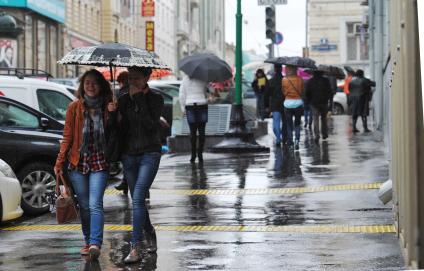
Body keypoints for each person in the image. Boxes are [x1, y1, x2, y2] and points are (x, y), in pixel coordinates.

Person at [54, 69, 117, 260]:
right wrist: (59, 161)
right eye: (87, 82)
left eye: (95, 83)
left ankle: (96, 243)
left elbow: (116, 134)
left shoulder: (109, 107)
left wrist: (114, 115)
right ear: (83, 86)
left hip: (99, 162)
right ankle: (88, 241)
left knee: (95, 203)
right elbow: (67, 136)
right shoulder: (74, 108)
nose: (91, 86)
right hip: (77, 164)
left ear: (101, 86)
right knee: (84, 205)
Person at [115, 66, 164, 264]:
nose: (132, 82)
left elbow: (151, 125)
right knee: (137, 200)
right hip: (129, 155)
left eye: (136, 78)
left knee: (137, 198)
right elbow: (118, 129)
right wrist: (112, 112)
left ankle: (135, 247)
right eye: (130, 78)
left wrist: (140, 99)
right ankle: (149, 230)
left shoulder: (156, 99)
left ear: (146, 78)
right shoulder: (123, 98)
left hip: (149, 153)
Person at [179, 76, 208, 163]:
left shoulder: (185, 79)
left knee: (192, 132)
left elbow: (182, 94)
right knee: (202, 131)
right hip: (202, 104)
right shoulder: (203, 78)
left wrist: (182, 107)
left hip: (190, 105)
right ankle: (200, 154)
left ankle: (193, 155)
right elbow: (205, 92)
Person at [304, 70, 332, 143]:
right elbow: (329, 91)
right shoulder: (326, 81)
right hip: (324, 102)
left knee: (315, 118)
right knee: (324, 118)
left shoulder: (310, 81)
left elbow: (307, 92)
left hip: (314, 103)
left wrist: (308, 101)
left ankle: (317, 135)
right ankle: (324, 134)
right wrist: (327, 99)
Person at [114, 71, 130, 195]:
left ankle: (125, 184)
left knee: (126, 159)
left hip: (123, 132)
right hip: (134, 132)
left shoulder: (120, 94)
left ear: (121, 82)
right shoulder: (134, 90)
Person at [282, 65, 305, 150]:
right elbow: (302, 91)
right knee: (297, 123)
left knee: (289, 124)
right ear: (296, 70)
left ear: (288, 70)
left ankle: (290, 140)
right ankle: (297, 140)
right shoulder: (300, 79)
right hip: (298, 103)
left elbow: (284, 92)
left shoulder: (284, 80)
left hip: (287, 103)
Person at [264, 64, 287, 147]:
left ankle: (278, 138)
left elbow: (266, 95)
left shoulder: (270, 81)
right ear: (281, 69)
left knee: (276, 123)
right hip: (285, 104)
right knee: (285, 122)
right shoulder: (286, 80)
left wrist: (266, 106)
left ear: (274, 69)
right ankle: (284, 137)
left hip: (274, 105)